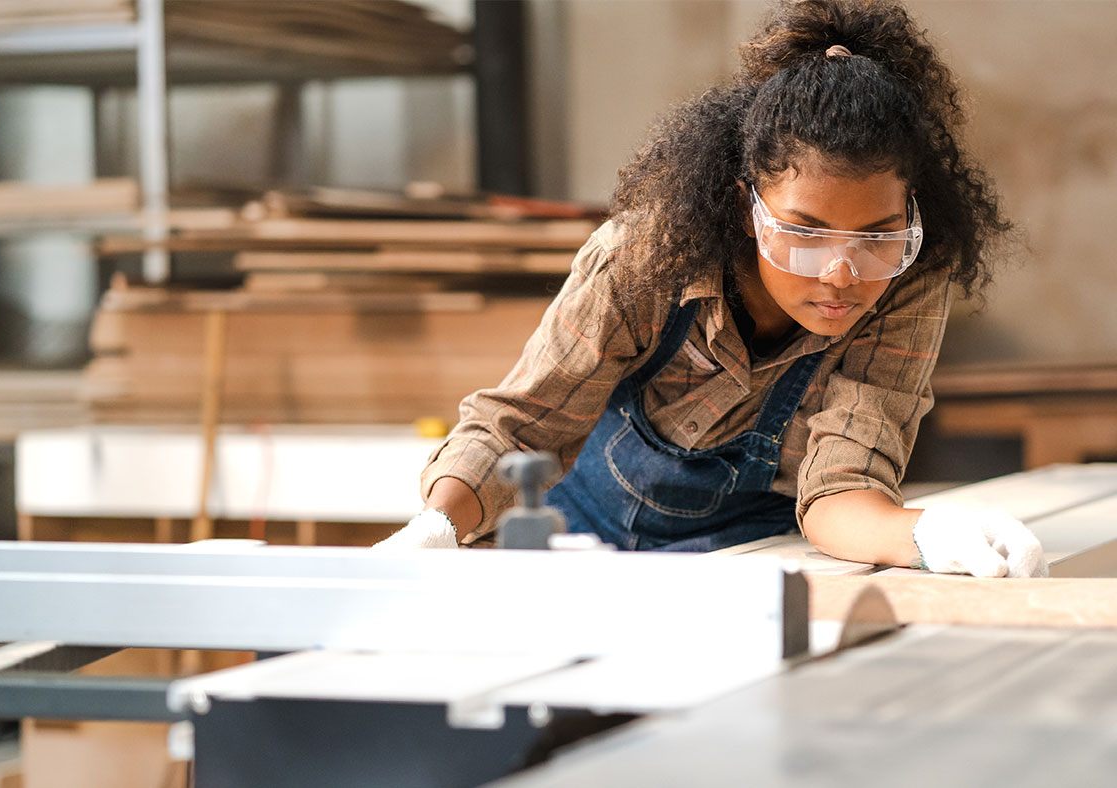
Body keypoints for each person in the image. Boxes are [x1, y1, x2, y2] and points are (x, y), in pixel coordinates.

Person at [376, 0, 1047, 578]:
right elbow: (519, 430)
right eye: (805, 235)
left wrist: (926, 534)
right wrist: (437, 525)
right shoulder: (642, 261)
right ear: (743, 208)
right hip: (579, 543)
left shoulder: (906, 282)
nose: (842, 274)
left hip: (744, 562)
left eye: (876, 237)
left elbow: (844, 488)